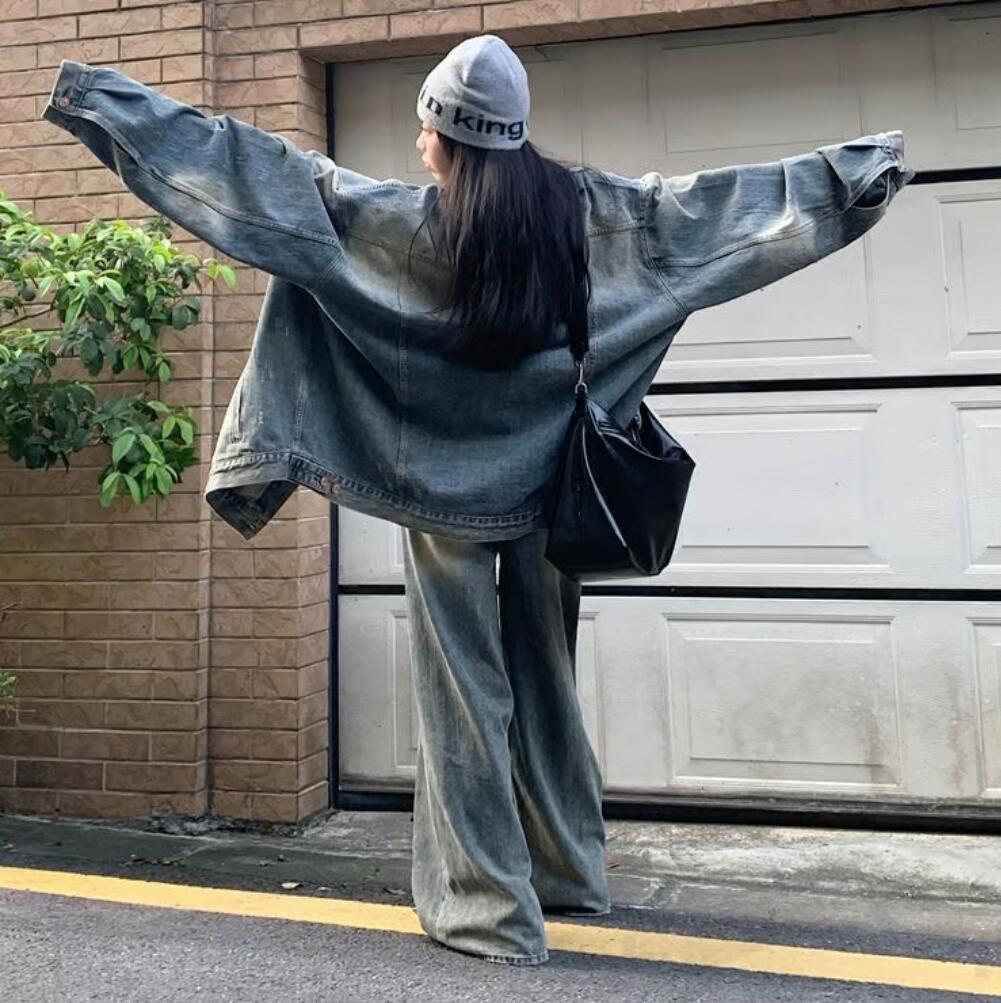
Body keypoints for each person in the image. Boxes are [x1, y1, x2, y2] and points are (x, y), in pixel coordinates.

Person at [40, 33, 914, 969]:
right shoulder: (601, 217)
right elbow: (730, 210)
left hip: (442, 502)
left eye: (426, 129)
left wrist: (102, 103)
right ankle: (566, 872)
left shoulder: (391, 226)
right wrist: (851, 174)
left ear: (448, 135)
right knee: (545, 678)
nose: (418, 144)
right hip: (553, 495)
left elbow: (252, 176)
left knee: (463, 698)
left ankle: (487, 912)